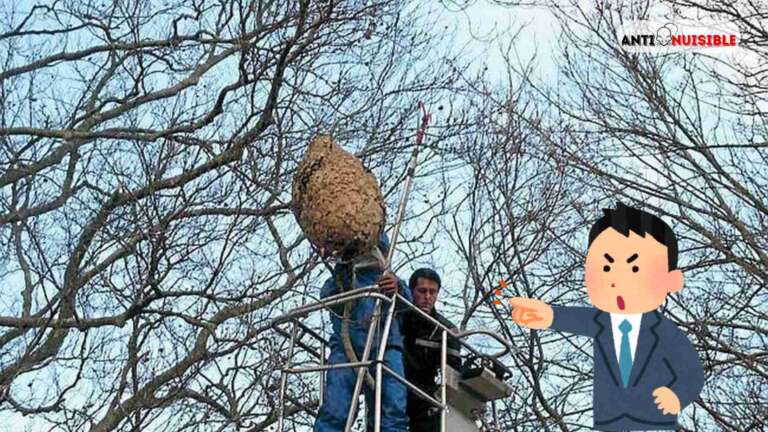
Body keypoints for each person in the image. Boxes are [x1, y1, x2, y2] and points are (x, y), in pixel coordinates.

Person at [510, 203, 705, 431]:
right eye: (606, 268)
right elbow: (576, 318)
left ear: (671, 281)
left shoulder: (665, 332)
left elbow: (692, 372)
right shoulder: (600, 322)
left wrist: (676, 396)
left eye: (634, 270)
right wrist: (549, 315)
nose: (617, 281)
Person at [314, 233, 411, 432]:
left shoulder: (389, 281)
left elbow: (407, 305)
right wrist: (342, 275)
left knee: (392, 408)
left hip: (385, 347)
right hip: (346, 347)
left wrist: (397, 288)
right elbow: (329, 299)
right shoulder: (339, 280)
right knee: (336, 406)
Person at [401, 268, 461, 432]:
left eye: (432, 292)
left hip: (423, 392)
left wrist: (438, 398)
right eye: (422, 291)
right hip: (393, 382)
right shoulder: (398, 315)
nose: (427, 297)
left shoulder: (445, 329)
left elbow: (453, 369)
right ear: (412, 291)